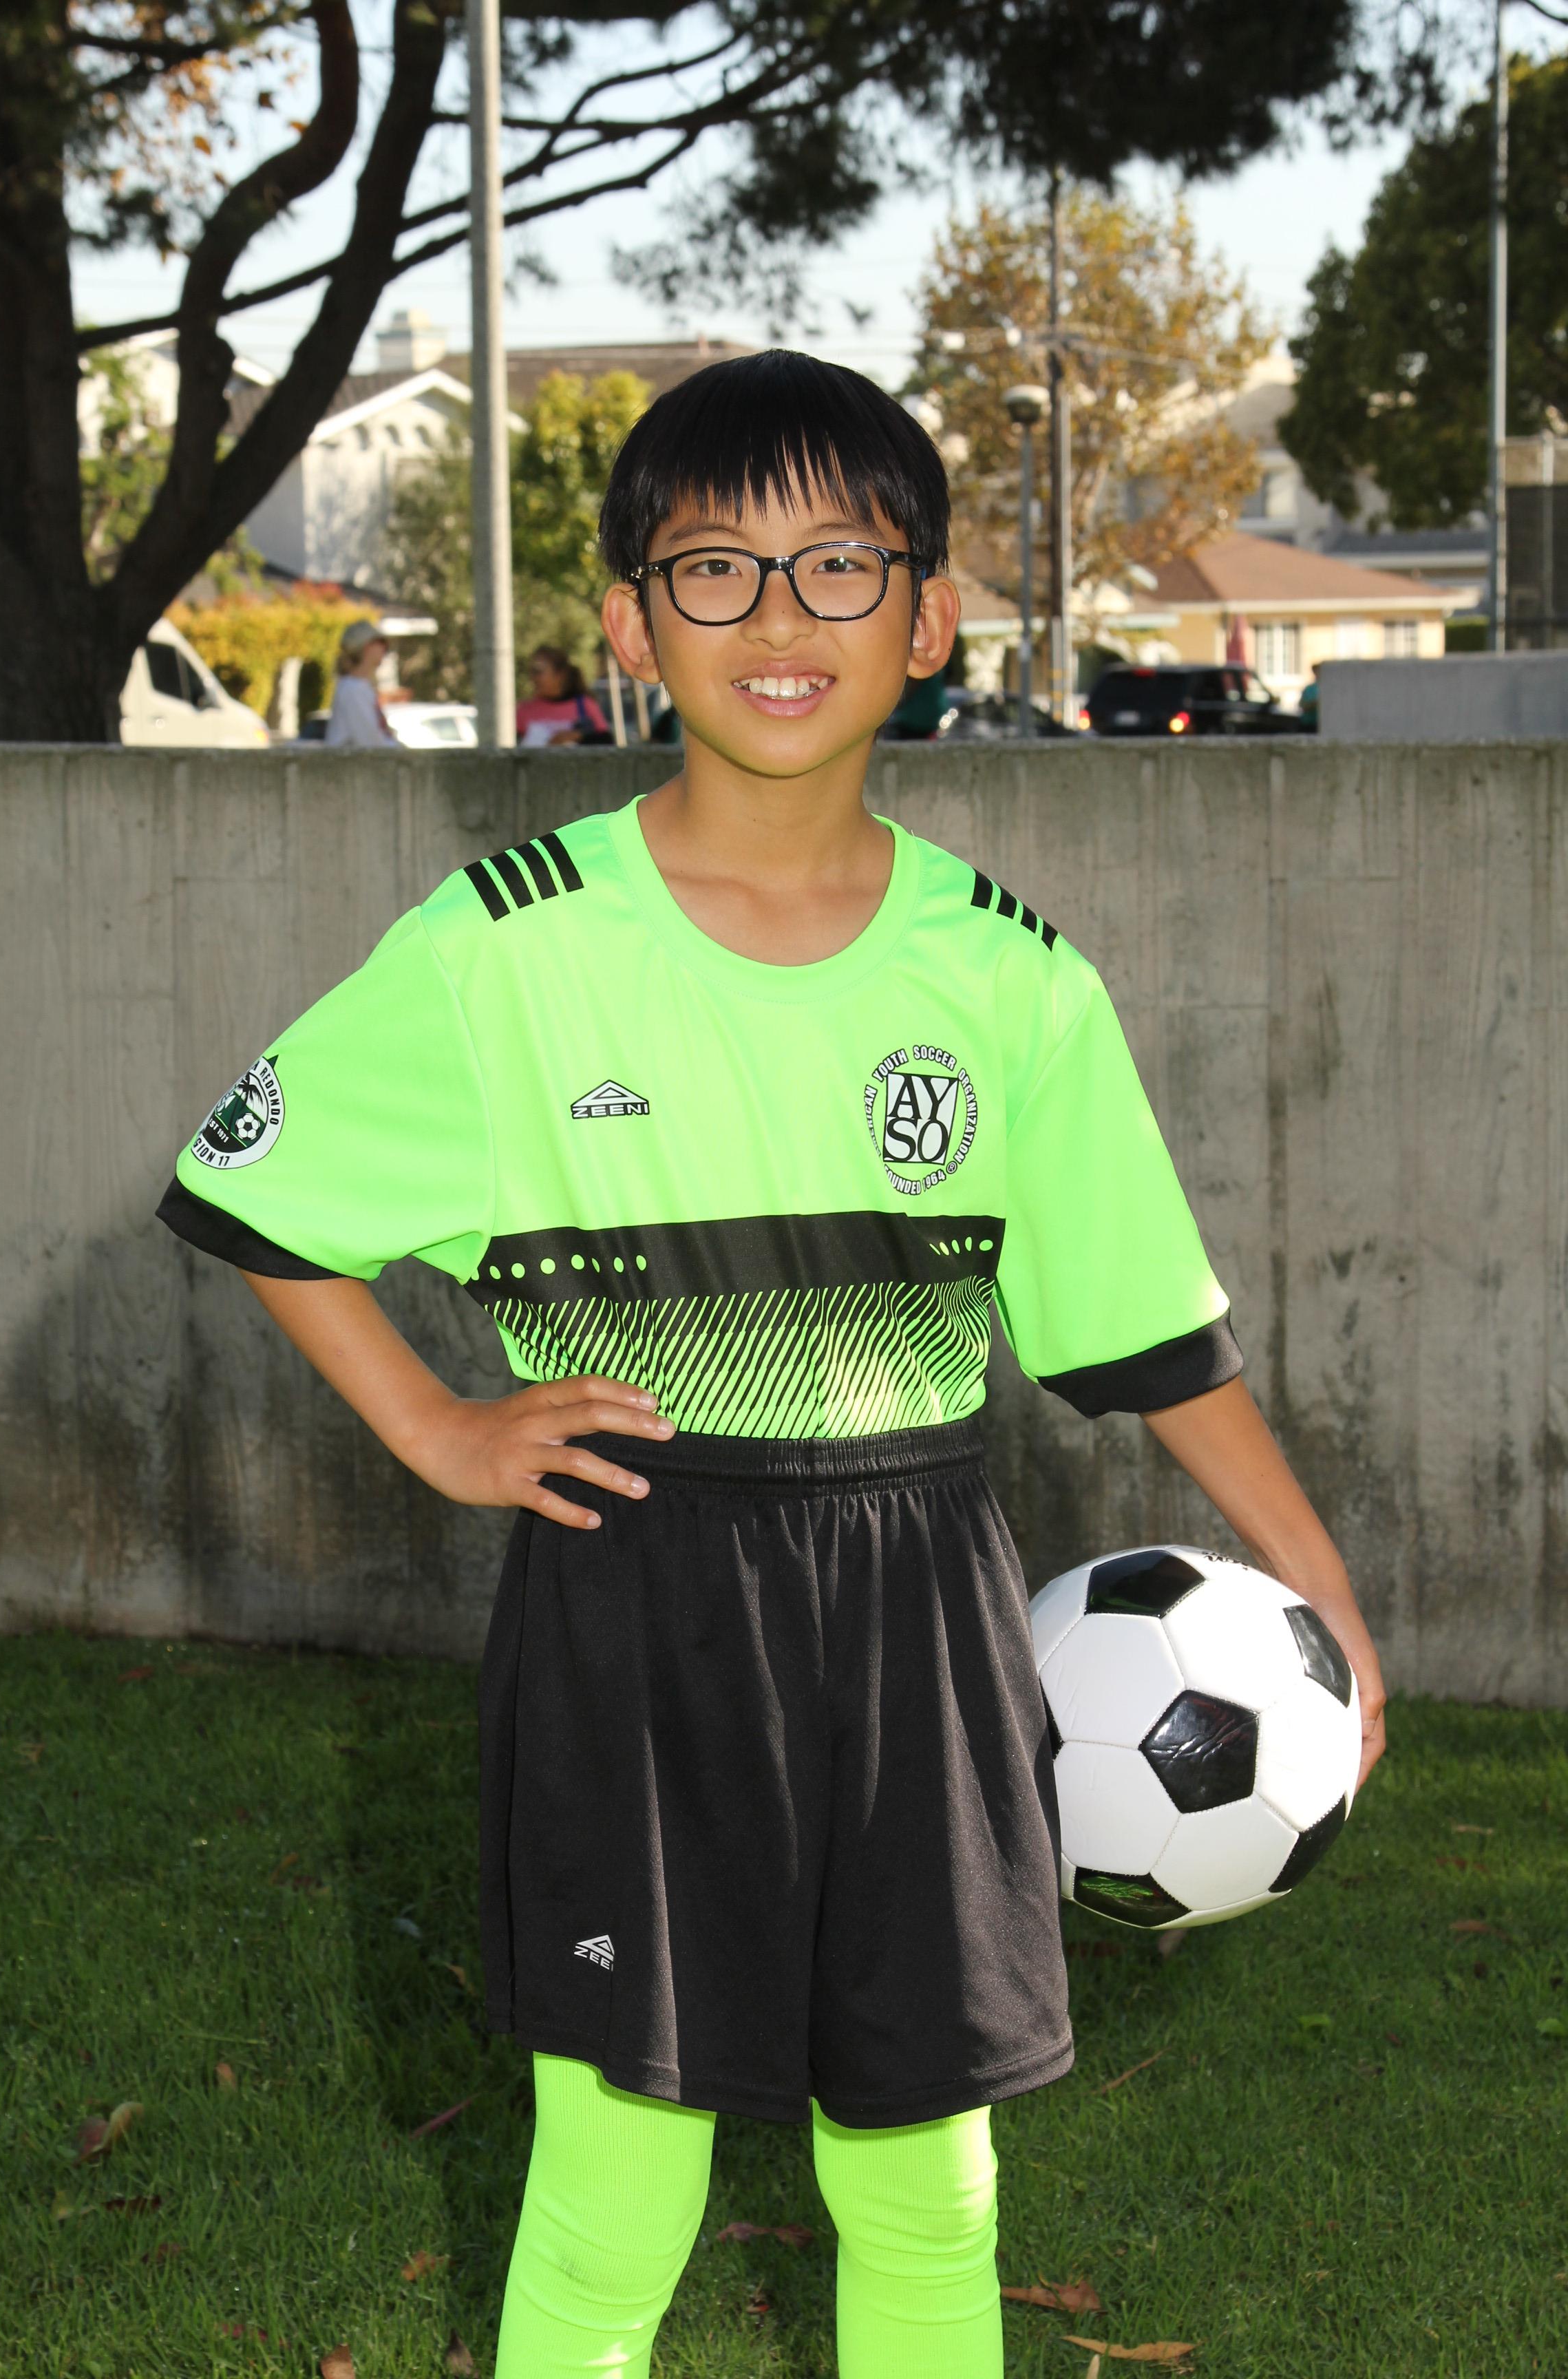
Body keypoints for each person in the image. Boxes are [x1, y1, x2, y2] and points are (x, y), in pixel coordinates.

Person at [158, 349, 1386, 2378]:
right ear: (632, 626)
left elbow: (1147, 1333)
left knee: (928, 2187)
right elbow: (254, 1192)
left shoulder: (1009, 978)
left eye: (839, 565)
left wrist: (1316, 1575)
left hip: (921, 1607)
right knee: (615, 2185)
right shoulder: (507, 946)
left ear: (932, 616)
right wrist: (440, 1426)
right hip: (639, 1604)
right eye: (715, 570)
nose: (780, 616)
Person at [516, 645, 611, 746]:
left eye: (538, 672)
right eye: (531, 672)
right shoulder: (524, 710)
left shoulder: (585, 705)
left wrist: (578, 736)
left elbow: (607, 742)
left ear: (560, 674)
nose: (532, 678)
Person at [324, 620, 398, 748]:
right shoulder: (352, 689)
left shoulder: (359, 687)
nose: (385, 649)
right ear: (367, 647)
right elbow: (371, 743)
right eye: (381, 643)